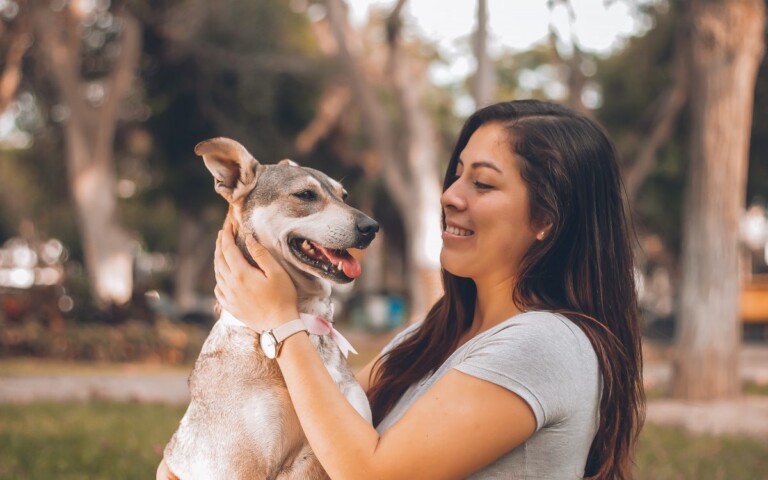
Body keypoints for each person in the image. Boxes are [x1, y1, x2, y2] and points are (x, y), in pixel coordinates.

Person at [158, 99, 644, 479]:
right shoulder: (426, 338)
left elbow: (368, 472)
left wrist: (282, 322)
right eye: (456, 175)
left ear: (545, 219)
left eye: (483, 184)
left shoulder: (545, 345)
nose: (450, 196)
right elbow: (308, 412)